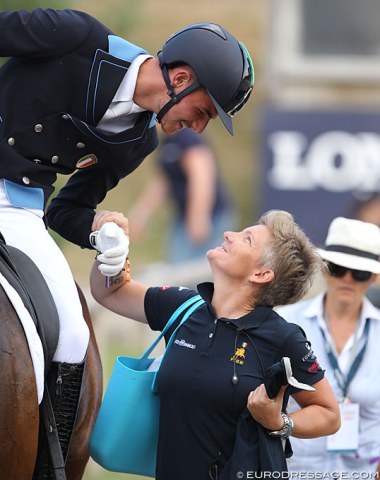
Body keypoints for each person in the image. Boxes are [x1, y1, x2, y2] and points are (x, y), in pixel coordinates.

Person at [0, 8, 253, 458]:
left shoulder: (140, 141)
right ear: (180, 77)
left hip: (19, 209)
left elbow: (66, 211)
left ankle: (50, 461)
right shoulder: (77, 38)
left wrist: (98, 230)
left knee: (75, 333)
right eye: (203, 111)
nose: (198, 127)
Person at [89, 209, 340, 480]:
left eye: (246, 239)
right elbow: (111, 291)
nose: (228, 235)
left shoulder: (283, 337)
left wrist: (281, 422)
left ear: (261, 274)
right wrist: (113, 250)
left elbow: (329, 414)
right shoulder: (183, 307)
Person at [277, 217, 380, 477]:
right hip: (297, 470)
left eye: (359, 273)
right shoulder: (285, 321)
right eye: (337, 267)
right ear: (323, 268)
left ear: (374, 277)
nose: (347, 279)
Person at [129, 127, 236, 263]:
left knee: (194, 269)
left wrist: (199, 217)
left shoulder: (186, 137)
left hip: (211, 216)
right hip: (183, 217)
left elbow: (201, 175)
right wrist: (141, 214)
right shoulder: (166, 142)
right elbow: (163, 182)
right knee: (176, 265)